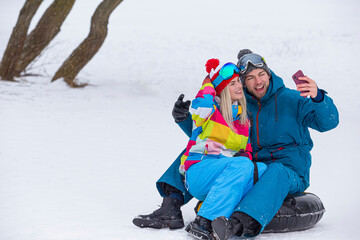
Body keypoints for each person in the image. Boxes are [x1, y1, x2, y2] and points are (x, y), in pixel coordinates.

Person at [133, 49, 339, 240]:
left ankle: (237, 224)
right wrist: (184, 119)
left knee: (276, 170)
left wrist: (318, 97)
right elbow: (212, 135)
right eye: (249, 78)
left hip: (289, 172)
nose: (257, 81)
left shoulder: (293, 100)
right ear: (244, 82)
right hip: (249, 168)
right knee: (201, 152)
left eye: (260, 74)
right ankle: (171, 205)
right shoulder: (241, 106)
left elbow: (328, 122)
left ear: (269, 74)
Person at [177, 59, 266, 239]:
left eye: (239, 82)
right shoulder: (210, 111)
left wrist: (245, 156)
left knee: (261, 170)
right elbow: (199, 107)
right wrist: (209, 84)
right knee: (242, 165)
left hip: (221, 176)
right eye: (232, 84)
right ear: (222, 90)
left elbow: (247, 150)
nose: (239, 86)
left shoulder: (243, 121)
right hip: (199, 171)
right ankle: (203, 221)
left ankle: (220, 215)